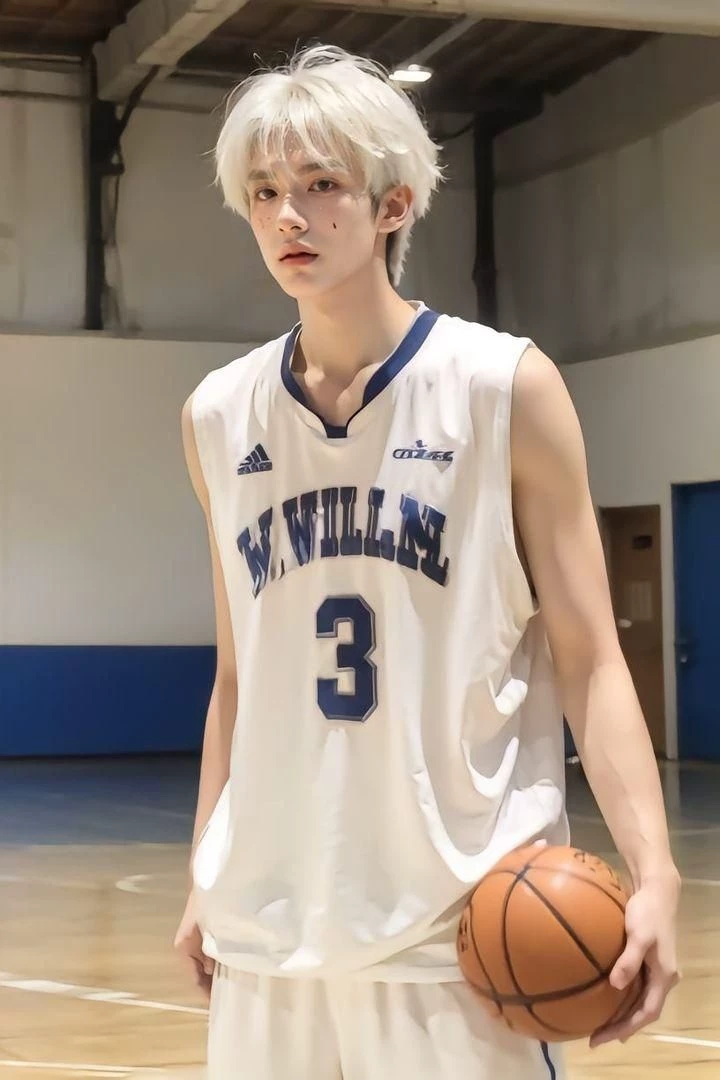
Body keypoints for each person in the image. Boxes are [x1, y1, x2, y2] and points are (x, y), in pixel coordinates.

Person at [174, 44, 680, 1079]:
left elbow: (589, 656)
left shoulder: (504, 388)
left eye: (322, 185)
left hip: (456, 944)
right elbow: (236, 679)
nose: (288, 216)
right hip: (267, 939)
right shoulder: (217, 416)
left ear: (393, 204)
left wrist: (656, 870)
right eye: (265, 191)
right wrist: (203, 871)